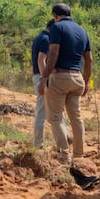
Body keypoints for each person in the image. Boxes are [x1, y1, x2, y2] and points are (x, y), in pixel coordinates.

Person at [40, 3, 92, 166]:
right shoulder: (82, 31)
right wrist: (86, 80)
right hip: (77, 78)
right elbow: (89, 59)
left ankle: (63, 156)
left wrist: (44, 77)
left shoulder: (57, 28)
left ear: (55, 15)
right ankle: (79, 154)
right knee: (76, 117)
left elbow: (54, 53)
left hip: (60, 76)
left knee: (55, 118)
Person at [30, 20, 68, 149]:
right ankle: (38, 144)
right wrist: (44, 79)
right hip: (42, 78)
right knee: (42, 111)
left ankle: (65, 137)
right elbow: (41, 59)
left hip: (39, 77)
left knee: (56, 109)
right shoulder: (46, 40)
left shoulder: (39, 38)